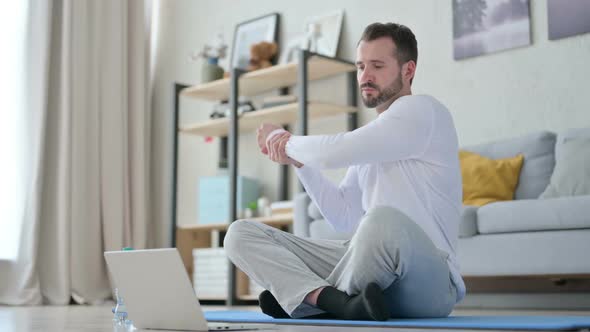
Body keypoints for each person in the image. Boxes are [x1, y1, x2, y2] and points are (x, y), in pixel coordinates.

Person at [224, 22, 466, 321]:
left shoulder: (423, 111)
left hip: (430, 284)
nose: (365, 76)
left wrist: (284, 142)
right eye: (361, 66)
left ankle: (305, 298)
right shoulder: (370, 138)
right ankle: (332, 301)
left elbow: (334, 153)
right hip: (372, 284)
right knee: (240, 234)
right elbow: (342, 216)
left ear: (408, 70)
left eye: (377, 65)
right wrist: (300, 163)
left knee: (381, 220)